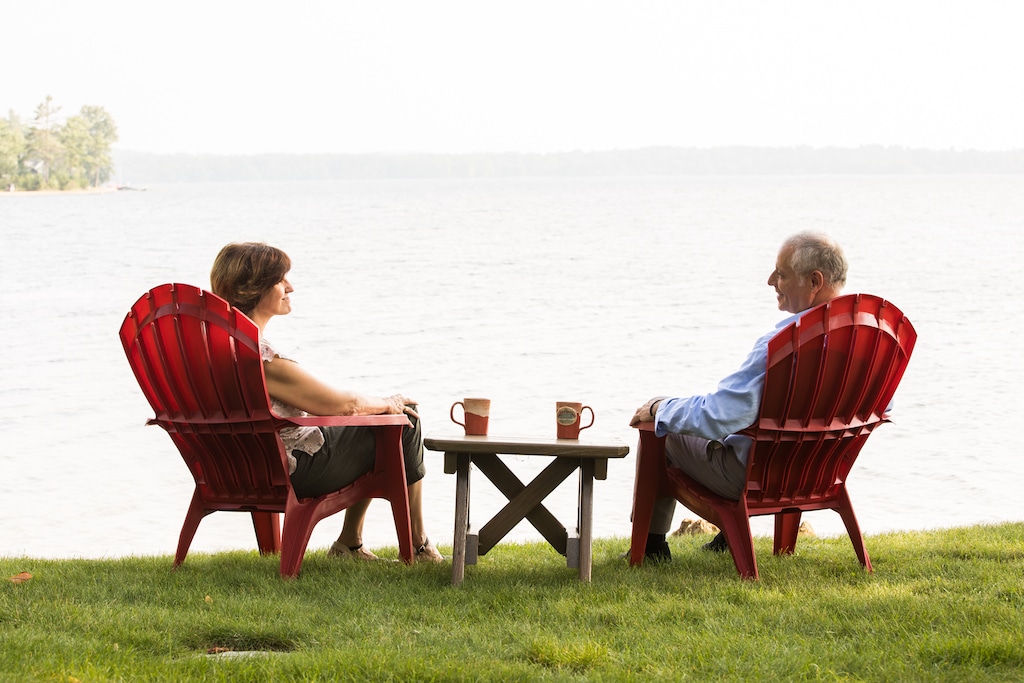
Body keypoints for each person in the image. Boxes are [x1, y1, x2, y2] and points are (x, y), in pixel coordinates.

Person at [210, 242, 444, 563]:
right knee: (404, 419)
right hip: (292, 469)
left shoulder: (216, 349)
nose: (290, 287)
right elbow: (342, 406)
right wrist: (388, 402)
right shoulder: (261, 360)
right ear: (255, 289)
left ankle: (351, 543)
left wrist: (376, 405)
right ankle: (417, 545)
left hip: (233, 466)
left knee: (378, 419)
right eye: (281, 281)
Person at [629, 231, 848, 561]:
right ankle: (728, 538)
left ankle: (650, 547)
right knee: (735, 425)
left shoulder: (783, 345)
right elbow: (880, 407)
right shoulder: (868, 338)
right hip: (818, 472)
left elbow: (719, 415)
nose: (771, 280)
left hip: (757, 478)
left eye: (782, 273)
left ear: (814, 280)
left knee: (663, 429)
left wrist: (660, 407)